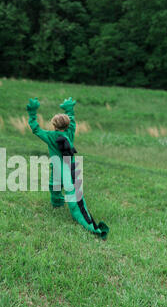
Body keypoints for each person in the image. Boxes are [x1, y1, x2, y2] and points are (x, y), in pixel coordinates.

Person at [26, 97, 109, 240]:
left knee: (64, 192)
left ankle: (89, 225)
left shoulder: (50, 135)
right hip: (68, 166)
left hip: (59, 167)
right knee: (58, 187)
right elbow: (72, 121)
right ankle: (58, 203)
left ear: (53, 125)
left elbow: (35, 128)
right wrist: (69, 109)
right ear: (68, 124)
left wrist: (32, 113)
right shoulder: (70, 132)